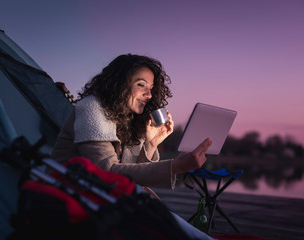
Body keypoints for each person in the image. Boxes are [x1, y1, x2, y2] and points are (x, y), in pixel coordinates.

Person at [52, 54, 215, 240]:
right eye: (141, 85)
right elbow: (107, 172)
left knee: (146, 200)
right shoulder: (91, 108)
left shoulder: (129, 119)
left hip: (102, 198)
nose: (149, 94)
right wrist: (176, 166)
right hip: (69, 197)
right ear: (119, 84)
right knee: (145, 202)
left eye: (151, 88)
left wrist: (151, 144)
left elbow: (132, 176)